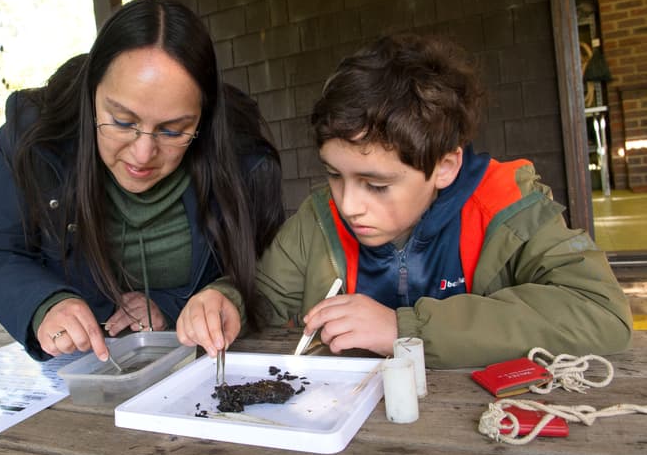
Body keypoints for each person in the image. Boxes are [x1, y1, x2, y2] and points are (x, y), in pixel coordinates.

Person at [177, 33, 633, 368]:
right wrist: (225, 300)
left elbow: (602, 312)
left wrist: (404, 329)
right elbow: (266, 298)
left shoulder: (507, 209)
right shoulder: (318, 220)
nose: (350, 204)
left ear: (445, 167)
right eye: (335, 174)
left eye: (376, 184)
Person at [0, 0, 285, 362]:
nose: (143, 154)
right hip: (81, 373)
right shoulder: (35, 139)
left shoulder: (243, 159)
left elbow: (271, 270)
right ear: (91, 93)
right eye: (122, 122)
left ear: (203, 119)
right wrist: (44, 303)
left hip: (193, 365)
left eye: (174, 130)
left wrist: (181, 305)